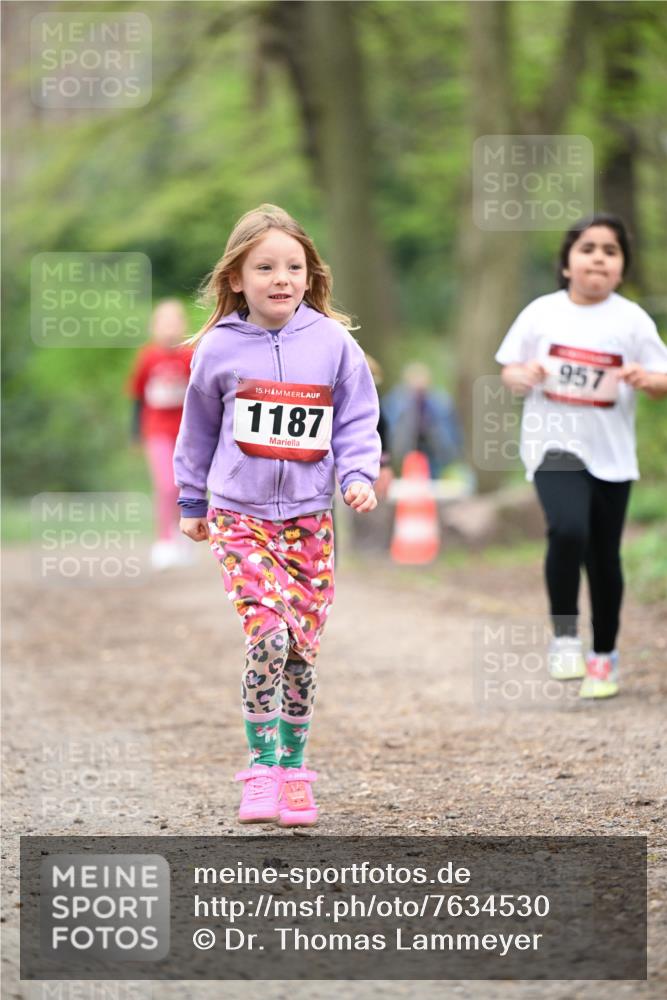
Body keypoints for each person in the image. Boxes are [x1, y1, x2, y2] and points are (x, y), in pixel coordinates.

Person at [173, 204, 380, 825]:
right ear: (237, 277)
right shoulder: (216, 351)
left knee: (301, 652)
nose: (281, 278)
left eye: (293, 266)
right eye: (265, 266)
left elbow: (355, 419)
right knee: (268, 634)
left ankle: (295, 769)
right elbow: (197, 430)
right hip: (240, 514)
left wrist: (358, 475)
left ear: (309, 274)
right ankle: (260, 768)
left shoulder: (332, 343)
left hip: (310, 519)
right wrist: (191, 500)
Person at [496, 214, 667, 699]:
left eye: (610, 251)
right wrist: (522, 375)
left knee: (604, 556)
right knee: (568, 528)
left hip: (612, 454)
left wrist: (645, 378)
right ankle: (566, 638)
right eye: (587, 248)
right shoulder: (542, 313)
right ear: (567, 263)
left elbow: (662, 378)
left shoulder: (631, 319)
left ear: (621, 268)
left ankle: (604, 655)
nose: (598, 257)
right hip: (554, 443)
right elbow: (509, 369)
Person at [127, 299, 195, 570]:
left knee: (184, 484)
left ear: (183, 326)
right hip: (156, 430)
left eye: (174, 322)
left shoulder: (190, 355)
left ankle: (185, 534)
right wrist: (134, 433)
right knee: (166, 485)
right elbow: (136, 396)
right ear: (154, 327)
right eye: (163, 323)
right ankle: (164, 541)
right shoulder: (148, 357)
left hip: (186, 432)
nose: (169, 328)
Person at [382, 362, 462, 478]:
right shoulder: (395, 401)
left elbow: (451, 434)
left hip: (434, 453)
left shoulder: (441, 402)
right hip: (406, 453)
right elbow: (390, 430)